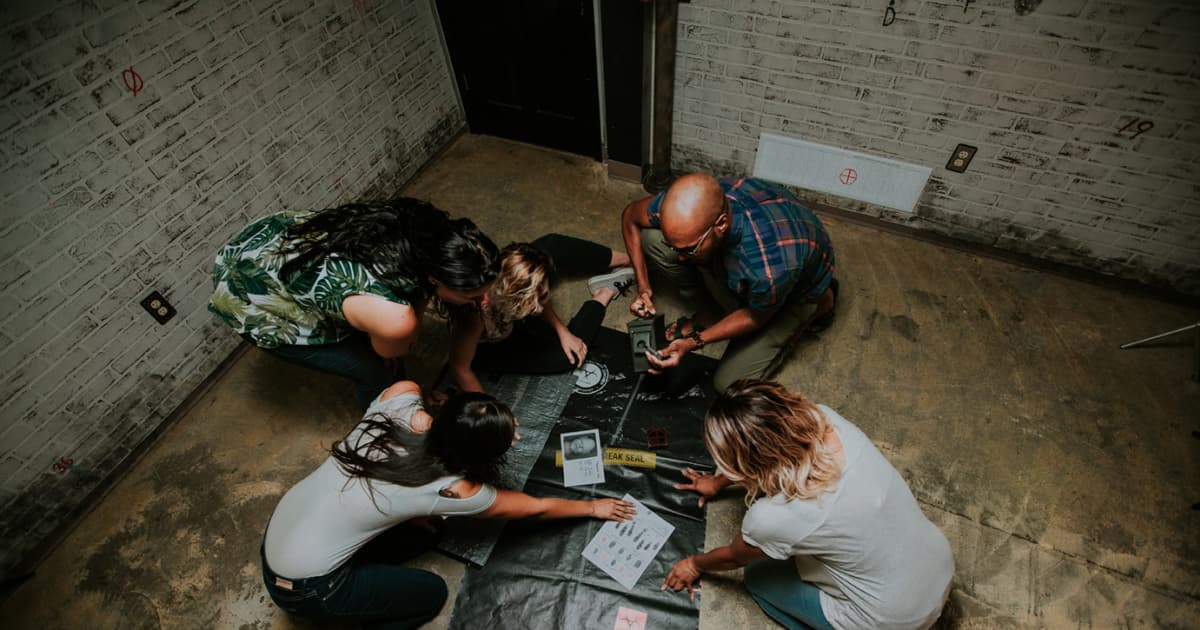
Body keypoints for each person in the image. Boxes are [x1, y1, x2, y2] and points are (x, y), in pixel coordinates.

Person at [262, 380, 636, 629]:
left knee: (427, 533)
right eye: (510, 436)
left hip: (281, 531)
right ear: (477, 456)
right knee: (431, 595)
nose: (518, 434)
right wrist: (592, 508)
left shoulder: (399, 398)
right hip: (306, 587)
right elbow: (532, 507)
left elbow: (424, 401)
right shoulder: (454, 490)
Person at [663, 379, 953, 630]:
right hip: (938, 564)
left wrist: (693, 563)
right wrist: (717, 482)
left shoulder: (771, 518)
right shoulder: (824, 418)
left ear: (743, 465)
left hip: (891, 620)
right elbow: (767, 440)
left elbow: (733, 558)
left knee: (758, 577)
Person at [209, 198, 500, 409]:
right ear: (435, 279)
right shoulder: (396, 317)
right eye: (471, 296)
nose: (483, 301)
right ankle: (386, 422)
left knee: (382, 346)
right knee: (376, 371)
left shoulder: (427, 227)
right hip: (251, 290)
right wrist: (400, 329)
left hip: (274, 244)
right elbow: (397, 349)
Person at [620, 174, 837, 392]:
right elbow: (631, 216)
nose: (681, 258)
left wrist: (693, 341)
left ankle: (821, 302)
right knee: (653, 240)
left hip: (793, 288)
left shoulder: (768, 268)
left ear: (721, 223)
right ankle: (710, 312)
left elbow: (755, 316)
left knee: (728, 383)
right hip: (767, 238)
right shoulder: (686, 204)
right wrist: (644, 288)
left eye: (689, 249)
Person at [446, 233, 635, 393]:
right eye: (530, 303)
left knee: (550, 246)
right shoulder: (473, 317)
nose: (538, 308)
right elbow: (460, 369)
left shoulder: (504, 266)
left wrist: (563, 331)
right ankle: (603, 293)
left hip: (509, 306)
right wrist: (490, 414)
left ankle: (626, 258)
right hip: (493, 343)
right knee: (568, 357)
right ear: (513, 297)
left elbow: (538, 299)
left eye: (543, 296)